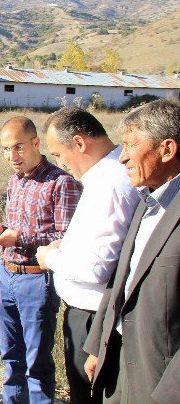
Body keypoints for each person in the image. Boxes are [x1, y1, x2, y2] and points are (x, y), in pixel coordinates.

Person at [35, 107, 139, 404]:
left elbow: (98, 267)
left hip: (94, 318)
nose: (60, 164)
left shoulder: (112, 184)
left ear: (79, 143)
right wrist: (65, 248)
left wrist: (50, 259)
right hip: (91, 316)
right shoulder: (105, 177)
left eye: (57, 154)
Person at [83, 100, 180, 404]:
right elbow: (121, 279)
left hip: (160, 379)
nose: (122, 157)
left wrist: (169, 394)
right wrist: (99, 343)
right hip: (119, 362)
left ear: (166, 149)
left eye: (130, 146)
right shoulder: (146, 201)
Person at [0, 116, 82, 404]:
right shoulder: (15, 181)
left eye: (18, 147)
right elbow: (17, 227)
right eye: (5, 149)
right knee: (11, 358)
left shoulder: (62, 182)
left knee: (36, 363)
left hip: (38, 280)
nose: (11, 156)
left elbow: (65, 236)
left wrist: (18, 236)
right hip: (8, 274)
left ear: (36, 143)